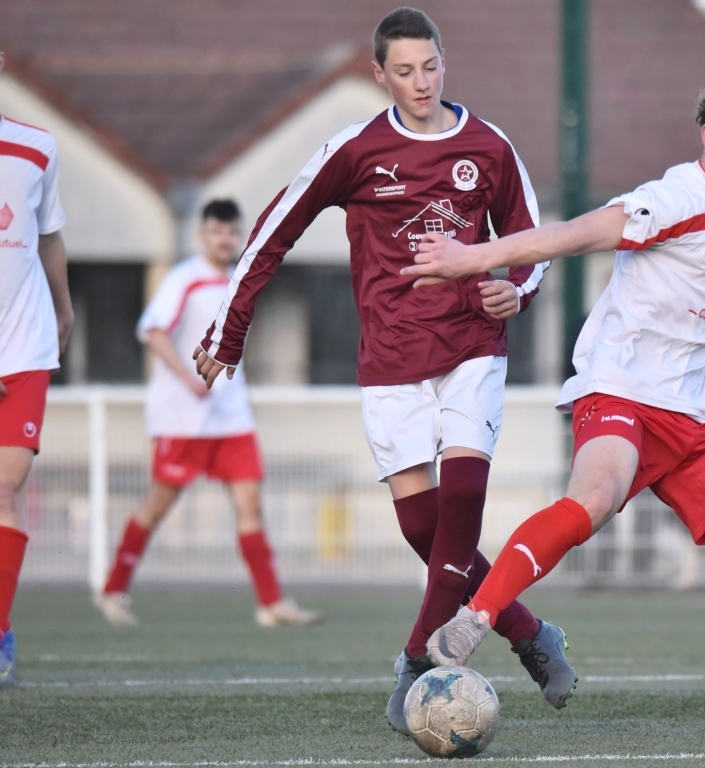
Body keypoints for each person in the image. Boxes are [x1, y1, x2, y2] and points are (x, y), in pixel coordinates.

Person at [406, 72, 705, 747]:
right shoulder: (675, 198)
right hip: (620, 394)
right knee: (597, 497)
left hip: (687, 416)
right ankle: (476, 619)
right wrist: (472, 258)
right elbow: (577, 234)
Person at [192, 8, 575, 735]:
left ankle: (416, 660)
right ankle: (528, 632)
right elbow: (274, 231)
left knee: (463, 495)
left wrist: (517, 289)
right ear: (380, 75)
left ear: (443, 62)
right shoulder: (355, 149)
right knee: (423, 528)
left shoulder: (488, 146)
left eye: (430, 66)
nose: (421, 82)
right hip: (392, 358)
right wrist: (230, 330)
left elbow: (532, 240)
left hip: (472, 345)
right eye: (404, 71)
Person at [92, 200, 320, 628]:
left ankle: (271, 602)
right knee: (159, 504)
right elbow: (154, 332)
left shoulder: (240, 281)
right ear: (203, 235)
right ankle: (113, 590)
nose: (225, 239)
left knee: (250, 504)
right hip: (184, 418)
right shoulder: (185, 279)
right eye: (217, 232)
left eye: (232, 232)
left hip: (231, 416)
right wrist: (189, 379)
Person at [0, 48, 75, 687]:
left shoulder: (37, 146)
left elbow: (48, 235)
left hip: (22, 345)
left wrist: (64, 307)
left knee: (5, 486)